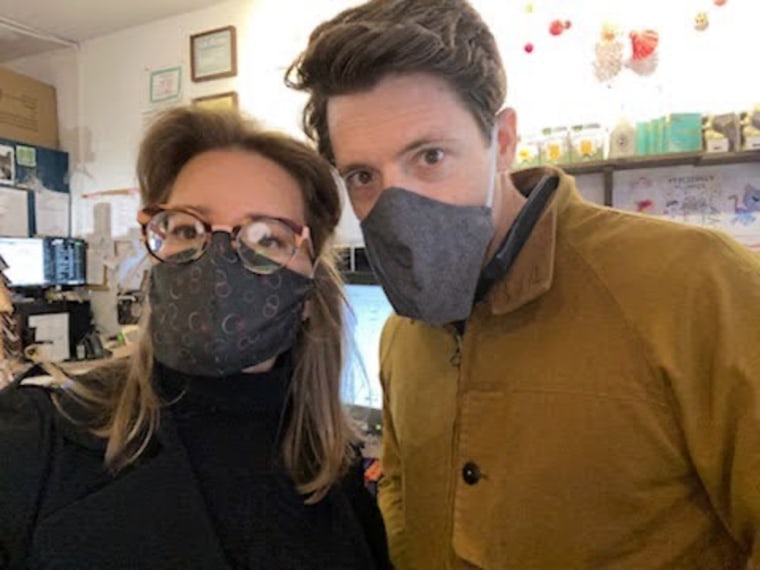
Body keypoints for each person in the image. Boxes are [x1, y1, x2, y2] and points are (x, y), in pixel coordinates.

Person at [286, 1, 760, 568]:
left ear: (503, 141)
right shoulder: (402, 336)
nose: (397, 204)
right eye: (363, 176)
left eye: (430, 156)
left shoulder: (696, 286)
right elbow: (402, 501)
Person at [0, 107, 391, 569]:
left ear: (309, 292)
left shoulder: (335, 474)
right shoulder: (33, 441)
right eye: (187, 228)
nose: (220, 258)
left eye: (267, 238)